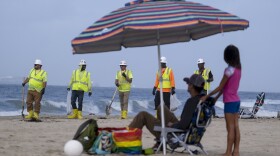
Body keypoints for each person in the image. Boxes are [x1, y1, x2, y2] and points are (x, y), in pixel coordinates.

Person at [129, 74, 205, 148]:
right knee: (161, 107)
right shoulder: (203, 100)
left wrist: (172, 125)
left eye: (188, 83)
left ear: (191, 86)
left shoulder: (191, 102)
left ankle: (125, 138)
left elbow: (183, 125)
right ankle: (160, 143)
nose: (187, 85)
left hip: (177, 133)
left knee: (143, 115)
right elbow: (186, 122)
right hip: (190, 131)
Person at [201, 45, 241, 156]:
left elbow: (220, 86)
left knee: (230, 128)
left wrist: (207, 96)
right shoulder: (238, 69)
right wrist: (216, 98)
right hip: (236, 100)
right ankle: (236, 151)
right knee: (236, 126)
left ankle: (228, 152)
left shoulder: (228, 70)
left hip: (229, 102)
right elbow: (225, 88)